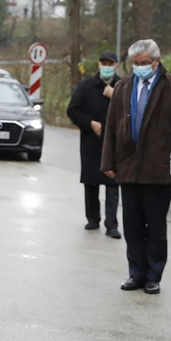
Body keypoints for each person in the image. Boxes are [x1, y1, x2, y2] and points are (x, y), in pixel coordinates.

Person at [101, 39, 171, 295]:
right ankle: (136, 272)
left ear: (156, 61)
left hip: (159, 168)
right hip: (128, 167)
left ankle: (154, 275)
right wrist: (108, 162)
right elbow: (111, 128)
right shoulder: (123, 86)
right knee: (131, 226)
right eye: (136, 63)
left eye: (144, 63)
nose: (140, 67)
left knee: (155, 226)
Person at [66, 52, 122, 239]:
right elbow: (72, 110)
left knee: (113, 184)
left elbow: (133, 109)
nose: (107, 66)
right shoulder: (87, 86)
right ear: (99, 65)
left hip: (115, 143)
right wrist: (89, 123)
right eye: (104, 63)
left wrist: (115, 95)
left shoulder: (123, 87)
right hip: (91, 142)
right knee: (91, 182)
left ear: (116, 65)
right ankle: (92, 218)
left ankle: (111, 224)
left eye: (110, 63)